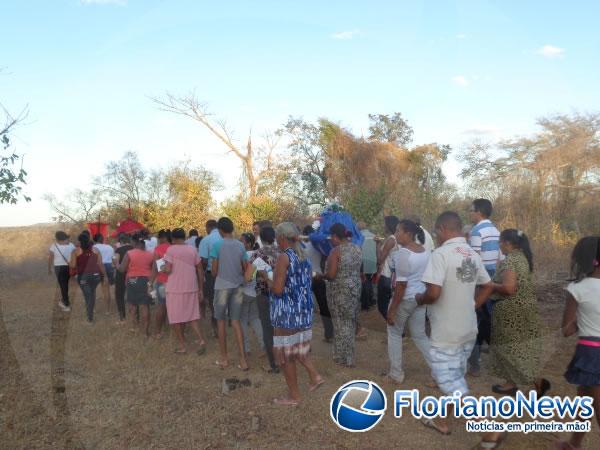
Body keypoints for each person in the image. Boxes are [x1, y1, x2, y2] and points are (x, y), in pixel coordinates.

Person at [415, 211, 492, 436]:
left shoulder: (440, 254)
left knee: (449, 379)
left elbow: (434, 292)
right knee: (454, 375)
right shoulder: (473, 254)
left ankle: (488, 428)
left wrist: (421, 298)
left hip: (446, 331)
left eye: (436, 232)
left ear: (441, 229)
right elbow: (488, 286)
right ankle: (440, 420)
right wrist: (473, 305)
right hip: (468, 328)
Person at [479, 229, 548, 448]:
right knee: (512, 349)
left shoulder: (511, 261)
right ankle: (510, 383)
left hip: (512, 313)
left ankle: (537, 383)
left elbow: (509, 288)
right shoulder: (522, 258)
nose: (499, 246)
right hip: (520, 311)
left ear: (508, 243)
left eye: (500, 243)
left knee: (511, 350)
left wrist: (490, 286)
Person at [265, 222, 323, 405]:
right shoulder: (304, 255)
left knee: (286, 356)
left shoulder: (284, 257)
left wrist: (266, 278)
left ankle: (295, 396)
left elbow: (278, 290)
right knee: (298, 348)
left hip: (287, 314)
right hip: (303, 312)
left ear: (281, 238)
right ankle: (314, 376)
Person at [555, 236, 600, 450]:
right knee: (586, 400)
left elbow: (567, 330)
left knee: (595, 405)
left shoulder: (578, 288)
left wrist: (583, 321)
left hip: (591, 353)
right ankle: (575, 443)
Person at [386, 219, 432, 384]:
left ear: (409, 234)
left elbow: (401, 285)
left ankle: (396, 374)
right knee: (420, 335)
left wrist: (392, 309)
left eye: (399, 231)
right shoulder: (424, 251)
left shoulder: (404, 254)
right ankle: (439, 369)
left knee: (394, 333)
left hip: (406, 299)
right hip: (420, 298)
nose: (396, 234)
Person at [468, 198, 501, 377]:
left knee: (478, 319)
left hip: (481, 281)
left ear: (479, 212)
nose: (470, 213)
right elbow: (499, 258)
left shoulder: (476, 231)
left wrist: (473, 287)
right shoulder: (496, 230)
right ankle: (480, 357)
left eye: (471, 210)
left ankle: (475, 362)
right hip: (494, 279)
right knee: (487, 318)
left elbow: (474, 260)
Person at [210, 217, 249, 371]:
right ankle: (243, 360)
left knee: (220, 321)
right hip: (238, 286)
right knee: (235, 321)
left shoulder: (217, 245)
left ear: (220, 230)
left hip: (221, 287)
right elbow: (245, 267)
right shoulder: (240, 245)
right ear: (232, 229)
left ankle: (224, 359)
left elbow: (213, 271)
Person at [322, 223, 362, 367]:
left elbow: (332, 274)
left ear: (335, 237)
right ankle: (349, 355)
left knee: (340, 323)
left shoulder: (336, 251)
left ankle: (343, 357)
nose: (330, 240)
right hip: (354, 288)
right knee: (350, 321)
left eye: (331, 237)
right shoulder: (357, 248)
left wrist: (321, 275)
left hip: (339, 290)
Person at [162, 228, 207, 354]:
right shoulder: (192, 249)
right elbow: (199, 269)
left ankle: (183, 346)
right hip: (191, 287)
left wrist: (162, 268)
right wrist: (200, 288)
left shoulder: (171, 250)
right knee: (192, 316)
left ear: (174, 238)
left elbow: (168, 270)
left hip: (175, 288)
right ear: (184, 236)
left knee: (176, 318)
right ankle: (201, 340)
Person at [245, 225, 281, 373]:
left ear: (261, 238)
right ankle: (284, 359)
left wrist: (258, 274)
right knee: (280, 328)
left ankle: (273, 364)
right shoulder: (283, 252)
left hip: (264, 294)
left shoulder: (257, 254)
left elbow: (248, 277)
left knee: (267, 329)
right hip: (281, 294)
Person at [303, 225, 333, 342]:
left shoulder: (301, 246)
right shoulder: (318, 246)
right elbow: (324, 258)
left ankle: (304, 337)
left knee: (305, 308)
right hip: (319, 276)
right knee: (324, 306)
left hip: (305, 278)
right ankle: (329, 334)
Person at [119, 235, 154, 336]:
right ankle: (145, 331)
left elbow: (122, 269)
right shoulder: (150, 254)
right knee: (145, 306)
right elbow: (154, 269)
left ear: (135, 243)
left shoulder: (129, 253)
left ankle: (134, 328)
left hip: (132, 280)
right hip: (146, 280)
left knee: (133, 305)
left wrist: (116, 263)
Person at [69, 232, 106, 323]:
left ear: (79, 241)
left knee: (88, 296)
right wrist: (105, 276)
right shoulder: (96, 249)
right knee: (92, 294)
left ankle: (90, 317)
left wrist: (68, 262)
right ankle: (90, 312)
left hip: (83, 277)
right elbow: (100, 264)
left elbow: (73, 265)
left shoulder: (76, 251)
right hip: (96, 276)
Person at [239, 232, 264, 354]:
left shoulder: (243, 256)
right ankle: (263, 345)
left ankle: (246, 348)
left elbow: (243, 275)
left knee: (242, 320)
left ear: (248, 243)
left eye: (241, 241)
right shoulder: (257, 255)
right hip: (254, 292)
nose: (239, 243)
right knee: (255, 319)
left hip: (244, 292)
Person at [199, 219, 222, 337]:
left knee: (213, 302)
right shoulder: (226, 237)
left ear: (208, 227)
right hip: (227, 274)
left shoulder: (206, 240)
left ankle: (216, 329)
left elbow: (203, 260)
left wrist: (201, 273)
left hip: (211, 275)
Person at [376, 215, 400, 319]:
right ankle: (396, 328)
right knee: (389, 304)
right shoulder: (396, 238)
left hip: (386, 275)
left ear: (389, 225)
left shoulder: (391, 239)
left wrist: (377, 245)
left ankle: (395, 326)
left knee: (382, 306)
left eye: (384, 224)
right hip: (391, 276)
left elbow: (380, 260)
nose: (383, 226)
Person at [48, 231, 76, 312]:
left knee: (63, 286)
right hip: (69, 267)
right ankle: (64, 300)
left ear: (57, 239)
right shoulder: (71, 245)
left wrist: (49, 269)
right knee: (65, 285)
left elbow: (50, 258)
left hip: (59, 268)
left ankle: (66, 304)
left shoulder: (54, 246)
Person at [151, 229, 171, 339]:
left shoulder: (158, 249)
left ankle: (158, 331)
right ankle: (173, 329)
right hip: (174, 282)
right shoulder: (174, 248)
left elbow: (156, 268)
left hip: (162, 281)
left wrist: (150, 282)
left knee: (161, 307)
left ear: (163, 238)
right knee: (173, 307)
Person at [113, 233, 133, 323]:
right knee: (133, 295)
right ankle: (135, 316)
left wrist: (116, 264)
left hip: (121, 274)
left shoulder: (119, 249)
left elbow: (115, 260)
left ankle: (122, 317)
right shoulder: (134, 248)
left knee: (119, 295)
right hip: (132, 274)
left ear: (121, 241)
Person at [93, 233, 115, 314]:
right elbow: (113, 259)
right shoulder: (109, 247)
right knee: (106, 289)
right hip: (109, 267)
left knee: (93, 290)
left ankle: (93, 309)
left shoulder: (93, 248)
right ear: (102, 239)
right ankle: (107, 310)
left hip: (97, 267)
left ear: (94, 240)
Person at [359, 222, 377, 310]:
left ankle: (365, 304)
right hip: (373, 261)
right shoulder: (374, 236)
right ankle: (370, 300)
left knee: (364, 282)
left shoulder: (358, 236)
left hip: (363, 261)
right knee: (369, 280)